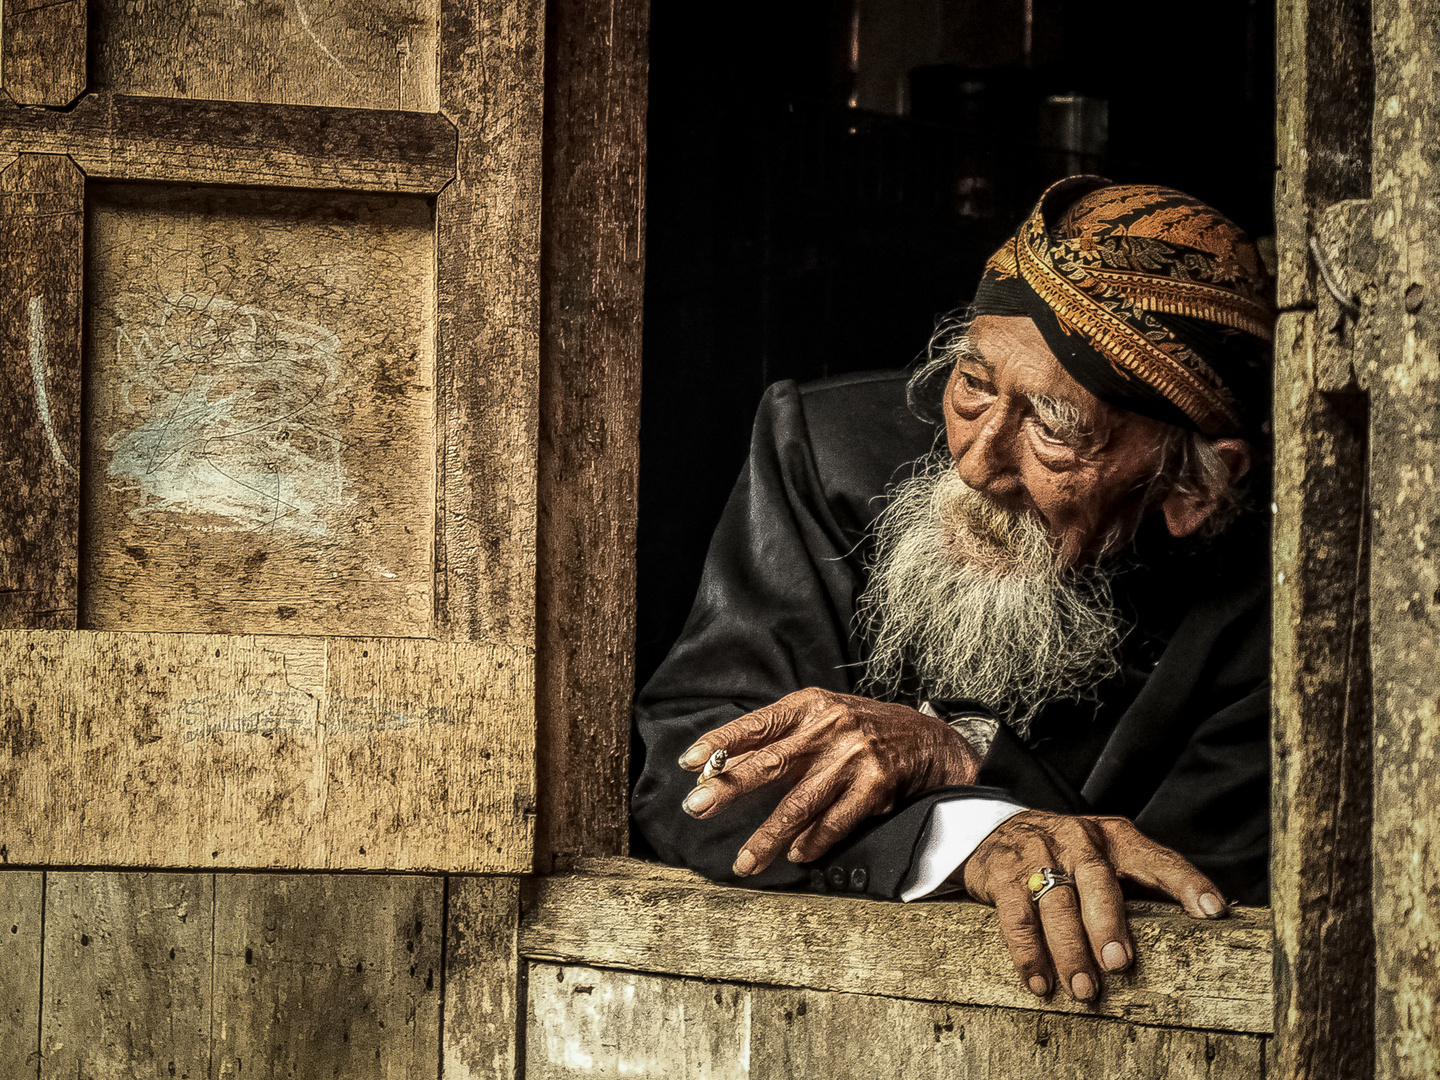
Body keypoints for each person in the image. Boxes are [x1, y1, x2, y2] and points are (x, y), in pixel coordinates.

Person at [632, 176, 1273, 1006]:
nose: (974, 464)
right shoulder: (825, 456)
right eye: (973, 383)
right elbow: (696, 769)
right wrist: (968, 829)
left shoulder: (1275, 606)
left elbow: (1188, 903)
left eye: (1054, 426)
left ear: (1197, 487)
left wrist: (960, 755)